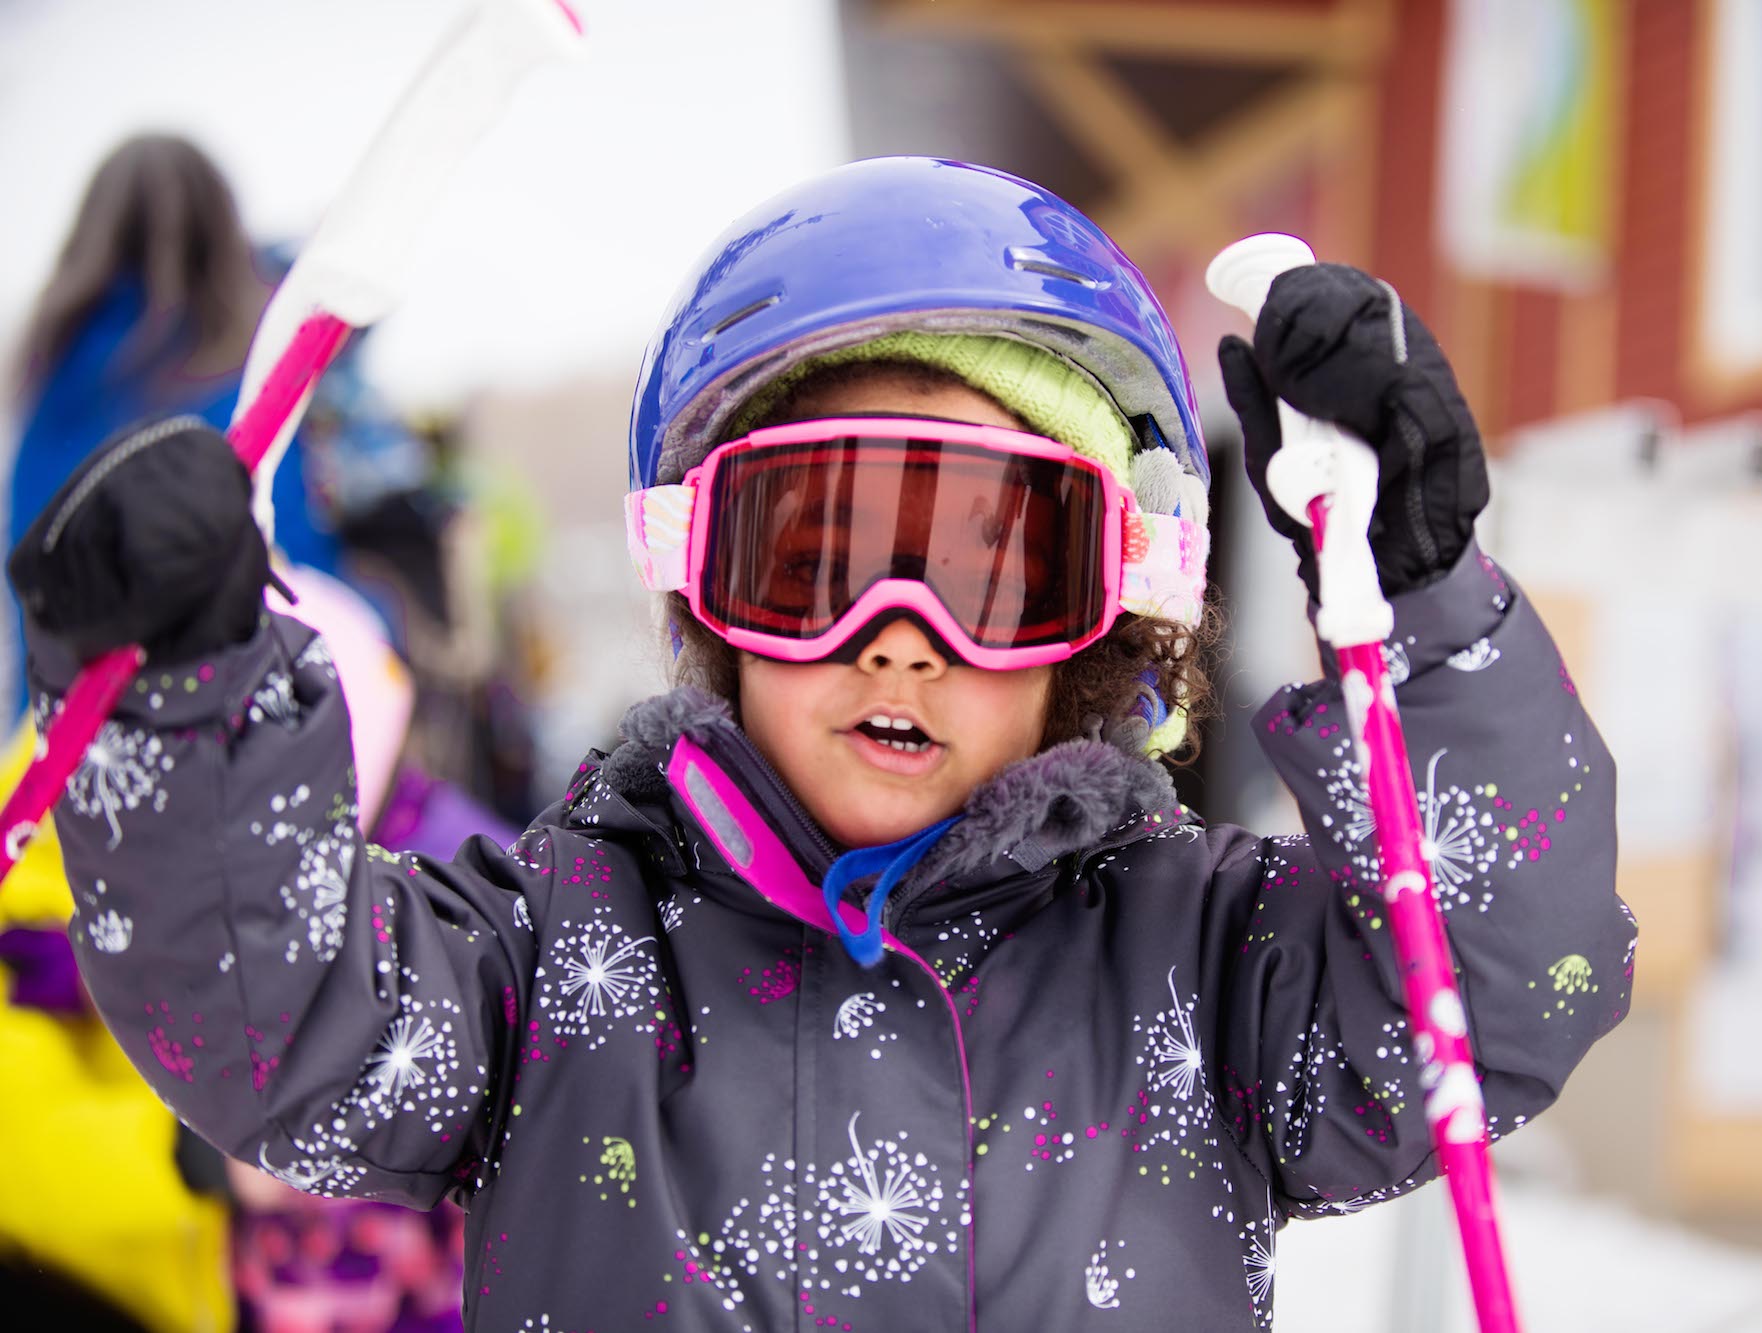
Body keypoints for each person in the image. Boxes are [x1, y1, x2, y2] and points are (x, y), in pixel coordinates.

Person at [10, 157, 1633, 1330]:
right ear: (707, 588)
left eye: (999, 561)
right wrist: (188, 708)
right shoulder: (557, 965)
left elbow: (1493, 999)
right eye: (814, 556)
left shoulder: (1204, 974)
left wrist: (1421, 604)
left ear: (1108, 610)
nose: (900, 628)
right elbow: (270, 1018)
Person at [5, 133, 338, 720]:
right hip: (217, 742)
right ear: (222, 233)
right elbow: (296, 567)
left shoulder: (49, 374)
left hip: (57, 746)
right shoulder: (241, 369)